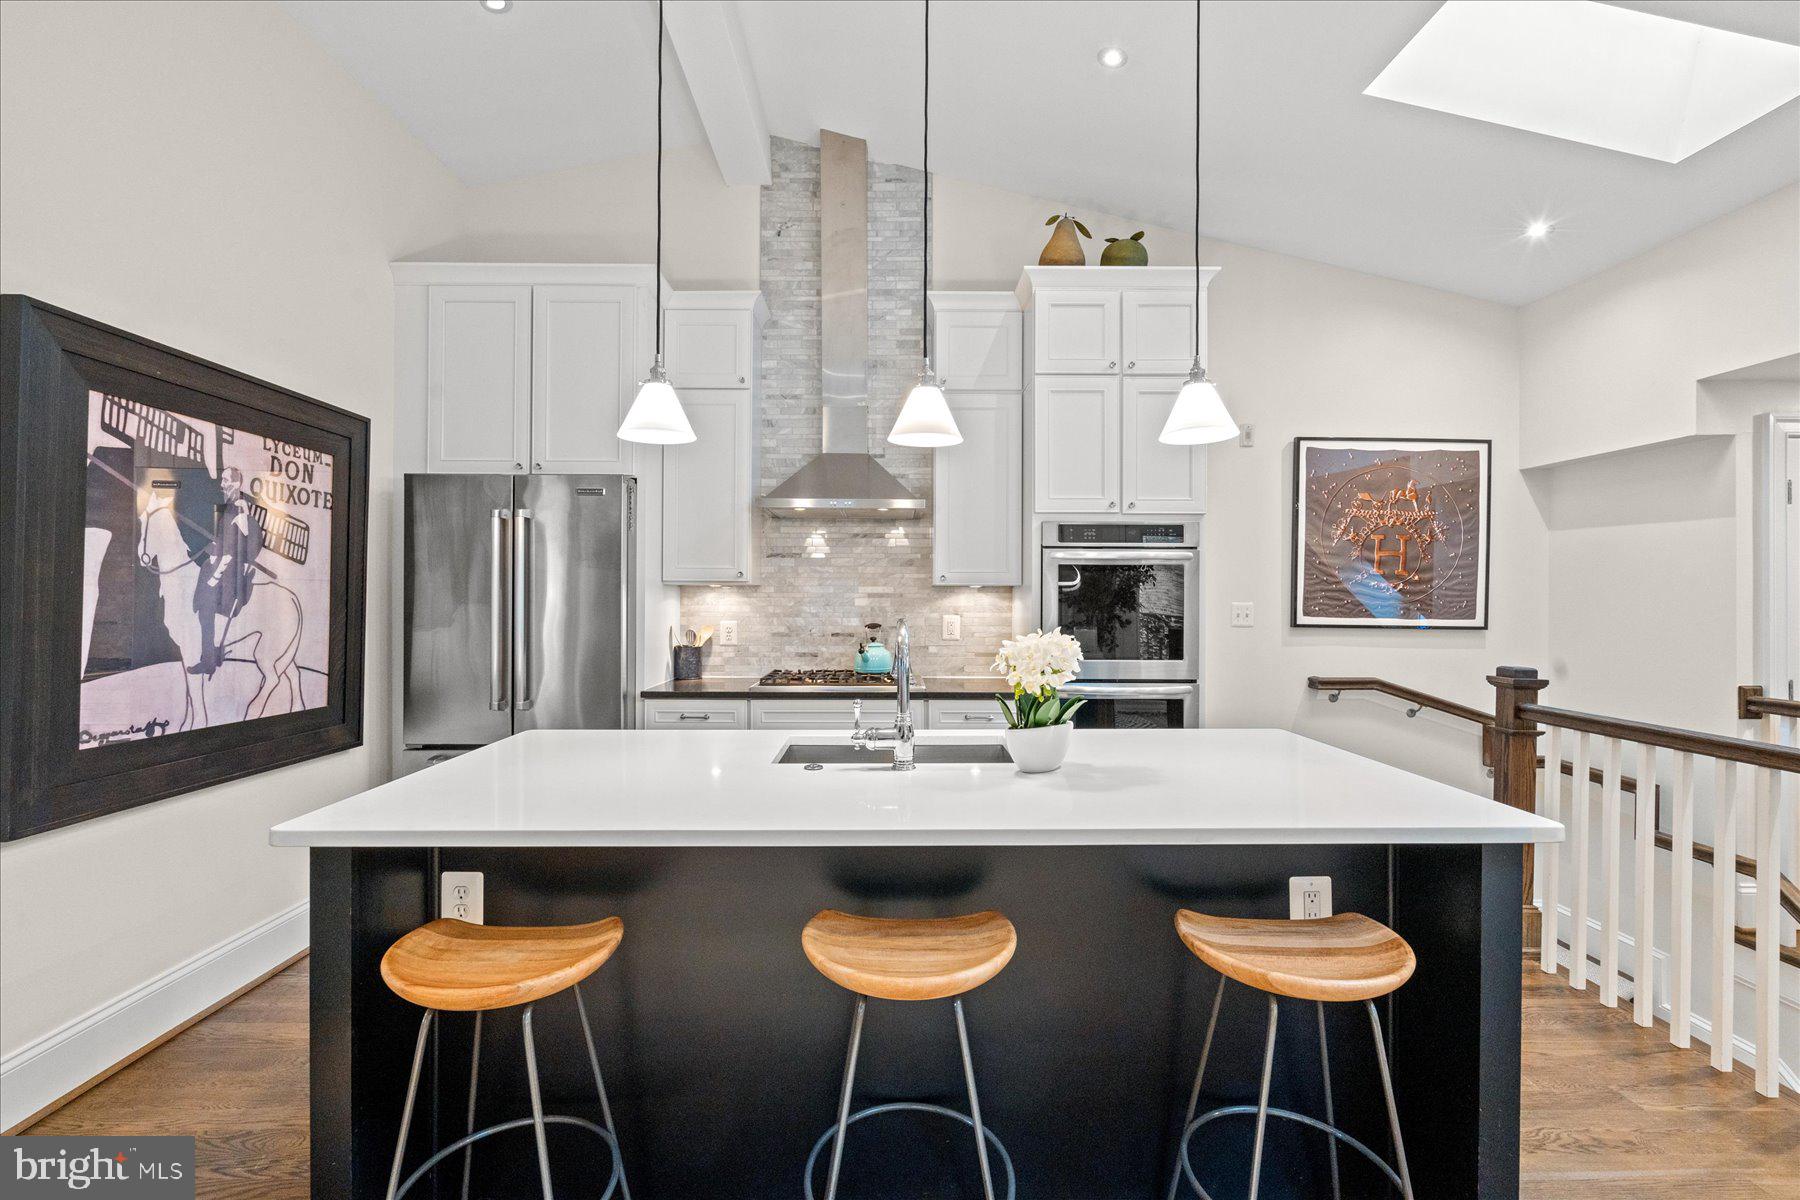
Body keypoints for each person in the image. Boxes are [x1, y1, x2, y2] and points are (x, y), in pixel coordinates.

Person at [191, 467, 263, 676]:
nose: (222, 484)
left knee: (205, 607)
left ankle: (209, 662)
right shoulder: (230, 507)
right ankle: (210, 657)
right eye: (221, 480)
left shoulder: (239, 509)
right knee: (202, 602)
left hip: (231, 576)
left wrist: (215, 575)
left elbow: (235, 550)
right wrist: (211, 553)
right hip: (223, 567)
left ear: (237, 484)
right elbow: (223, 542)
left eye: (226, 481)